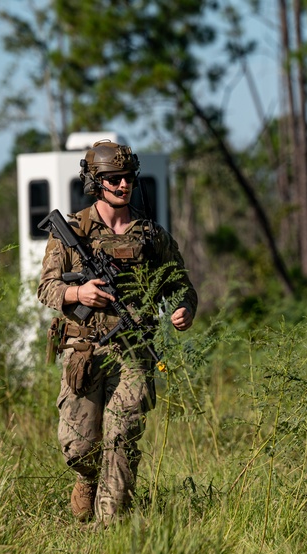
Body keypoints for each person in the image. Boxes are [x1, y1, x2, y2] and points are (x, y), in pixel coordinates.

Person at [37, 140, 198, 524]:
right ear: (96, 182)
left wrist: (183, 308)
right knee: (79, 447)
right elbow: (46, 288)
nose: (124, 185)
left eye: (128, 178)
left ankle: (111, 526)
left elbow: (181, 285)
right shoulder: (72, 230)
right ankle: (85, 478)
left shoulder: (150, 235)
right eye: (114, 179)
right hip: (85, 352)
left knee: (122, 437)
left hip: (135, 351)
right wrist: (79, 292)